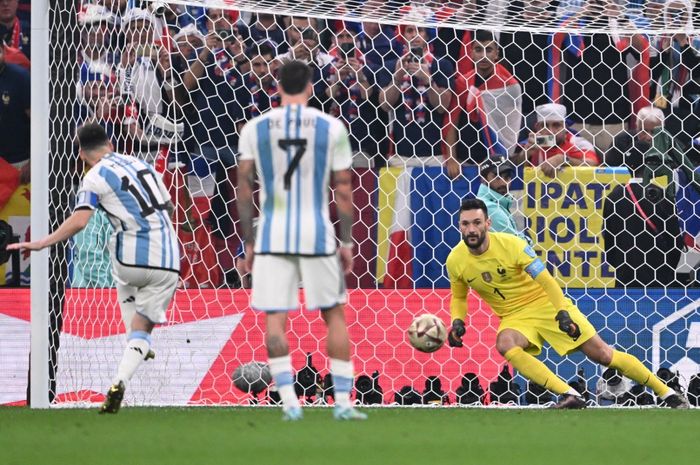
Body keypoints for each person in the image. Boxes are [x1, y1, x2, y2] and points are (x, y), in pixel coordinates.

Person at [446, 198, 688, 409]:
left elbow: (547, 281)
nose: (471, 229)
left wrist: (562, 312)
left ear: (487, 224)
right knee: (505, 343)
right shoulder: (455, 260)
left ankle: (667, 392)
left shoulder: (513, 245)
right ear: (459, 226)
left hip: (546, 304)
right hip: (514, 317)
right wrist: (457, 321)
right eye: (465, 224)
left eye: (477, 223)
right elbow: (458, 296)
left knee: (603, 354)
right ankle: (569, 394)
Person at [8, 123, 180, 413]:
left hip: (130, 260)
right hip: (169, 261)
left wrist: (42, 243)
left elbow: (80, 221)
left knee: (116, 242)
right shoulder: (142, 165)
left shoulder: (94, 176)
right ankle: (123, 373)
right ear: (109, 143)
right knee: (144, 327)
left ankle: (134, 342)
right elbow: (169, 207)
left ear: (80, 153)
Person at [236, 60, 366, 421]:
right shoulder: (330, 127)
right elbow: (343, 188)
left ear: (277, 87)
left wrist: (248, 243)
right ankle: (342, 402)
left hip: (273, 233)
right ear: (310, 87)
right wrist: (346, 241)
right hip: (316, 232)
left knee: (275, 318)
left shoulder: (255, 128)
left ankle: (290, 401)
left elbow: (244, 187)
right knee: (334, 315)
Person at [476, 157, 528, 243]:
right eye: (497, 177)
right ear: (484, 179)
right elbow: (516, 244)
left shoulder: (494, 204)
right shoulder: (490, 208)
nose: (503, 183)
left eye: (507, 177)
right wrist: (529, 241)